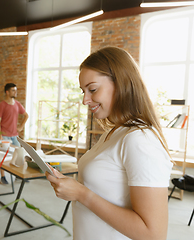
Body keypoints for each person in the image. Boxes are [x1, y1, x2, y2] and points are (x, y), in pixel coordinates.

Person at [46, 47, 173, 240]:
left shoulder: (140, 139)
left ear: (121, 83)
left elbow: (153, 234)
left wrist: (82, 194)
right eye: (83, 91)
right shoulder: (115, 132)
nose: (85, 100)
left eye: (93, 89)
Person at [0, 83, 29, 184]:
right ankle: (2, 177)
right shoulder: (2, 105)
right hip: (5, 135)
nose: (15, 92)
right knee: (3, 157)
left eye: (16, 90)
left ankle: (18, 176)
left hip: (15, 136)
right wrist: (0, 135)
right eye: (13, 90)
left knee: (19, 156)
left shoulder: (17, 104)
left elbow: (26, 115)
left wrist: (21, 127)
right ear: (7, 92)